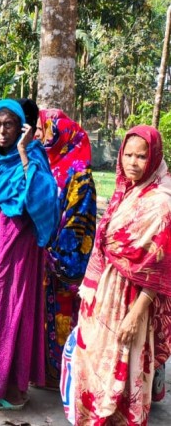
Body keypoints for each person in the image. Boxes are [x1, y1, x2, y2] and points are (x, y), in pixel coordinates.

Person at [71, 125, 171, 425]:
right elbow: (104, 244)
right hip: (106, 290)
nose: (133, 162)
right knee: (97, 360)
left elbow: (160, 267)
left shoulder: (161, 203)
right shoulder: (124, 192)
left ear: (154, 158)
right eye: (128, 154)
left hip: (133, 299)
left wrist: (136, 313)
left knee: (127, 364)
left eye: (142, 156)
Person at [0, 99, 60, 411]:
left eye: (8, 125)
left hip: (18, 245)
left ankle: (13, 389)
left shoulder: (32, 154)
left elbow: (43, 200)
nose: (1, 131)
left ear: (20, 128)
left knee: (13, 309)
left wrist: (25, 152)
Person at [22, 102, 97, 391]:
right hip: (41, 252)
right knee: (42, 313)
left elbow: (79, 219)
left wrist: (54, 251)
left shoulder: (79, 173)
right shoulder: (46, 164)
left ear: (60, 132)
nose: (39, 136)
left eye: (43, 130)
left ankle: (59, 374)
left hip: (62, 258)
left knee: (63, 314)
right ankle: (43, 370)